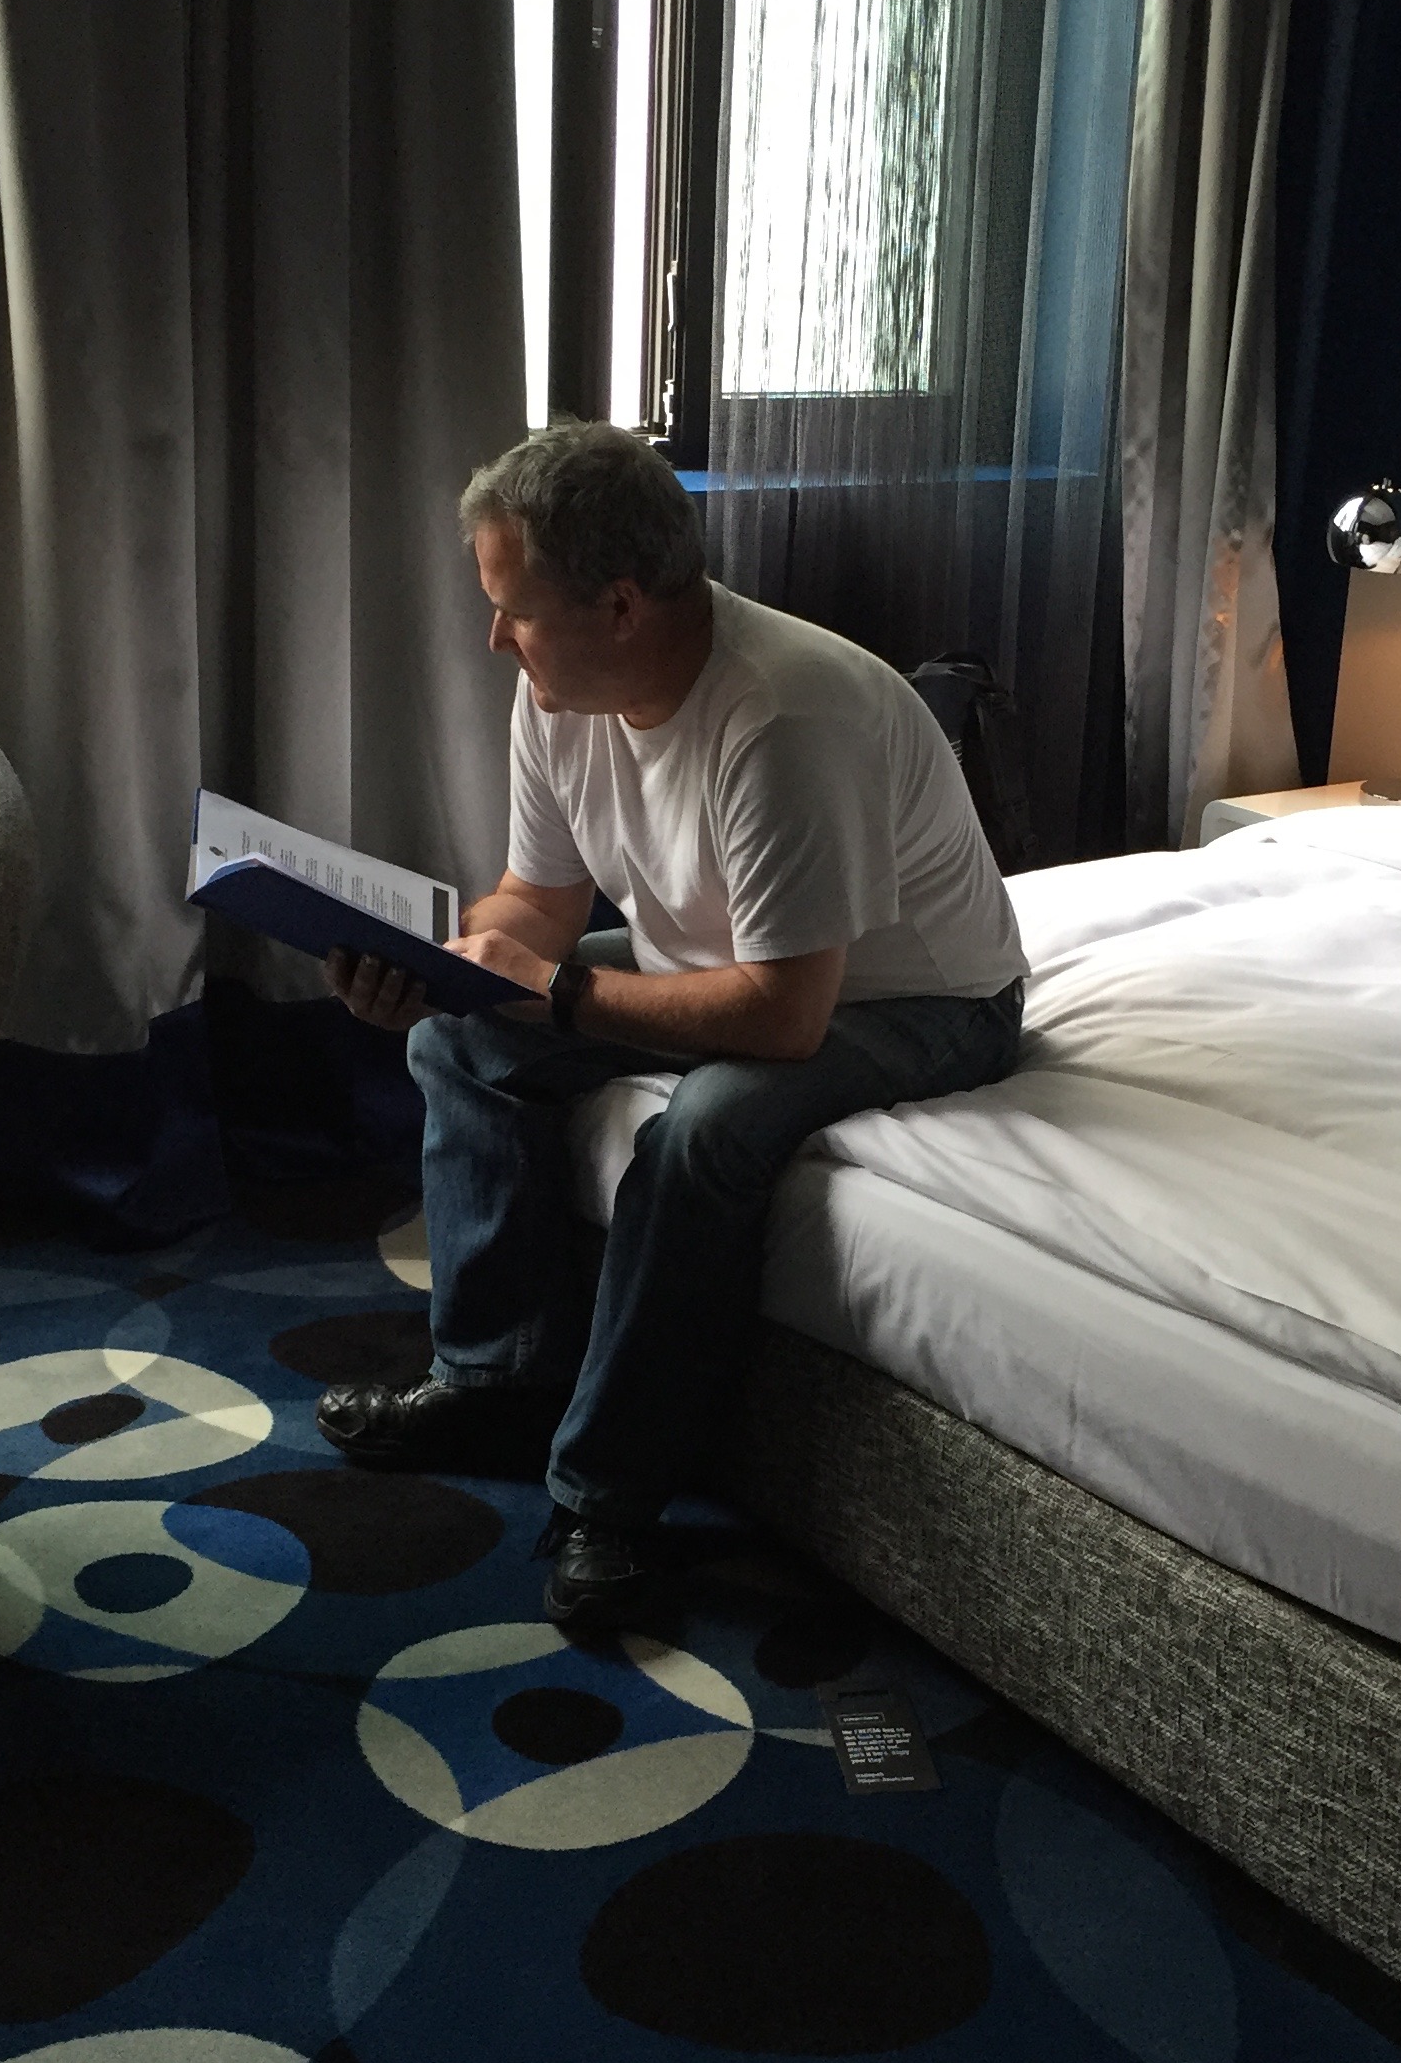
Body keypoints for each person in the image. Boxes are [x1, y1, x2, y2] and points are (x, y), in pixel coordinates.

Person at [317, 422, 1029, 1628]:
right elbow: (540, 902)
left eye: (515, 611)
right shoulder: (561, 685)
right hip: (722, 968)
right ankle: (496, 1380)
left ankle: (610, 1495)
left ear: (621, 605)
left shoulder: (785, 715)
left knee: (706, 1127)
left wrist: (549, 990)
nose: (495, 638)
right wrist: (443, 968)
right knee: (456, 1041)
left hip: (920, 1000)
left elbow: (782, 1017)